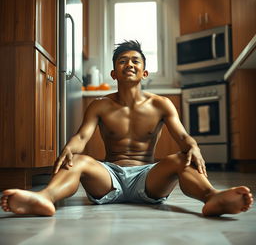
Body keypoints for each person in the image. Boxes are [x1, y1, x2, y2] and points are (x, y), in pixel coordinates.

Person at [1, 40, 253, 217]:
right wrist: (70, 147)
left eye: (135, 61)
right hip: (108, 178)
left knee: (182, 158)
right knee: (77, 159)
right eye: (123, 61)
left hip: (148, 177)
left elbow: (183, 136)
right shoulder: (100, 105)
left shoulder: (161, 104)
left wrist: (194, 147)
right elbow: (82, 136)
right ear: (114, 72)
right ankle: (44, 198)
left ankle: (212, 198)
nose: (129, 64)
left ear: (145, 72)